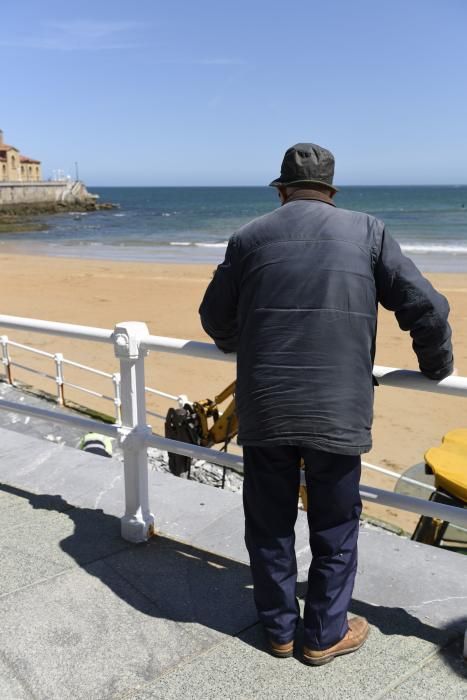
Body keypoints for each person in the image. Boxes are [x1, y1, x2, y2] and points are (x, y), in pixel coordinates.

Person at [199, 143, 453, 665]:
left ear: (282, 190)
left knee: (268, 522)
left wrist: (239, 339)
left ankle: (279, 632)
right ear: (331, 193)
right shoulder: (368, 232)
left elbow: (215, 318)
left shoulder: (248, 238)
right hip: (338, 411)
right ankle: (322, 635)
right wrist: (436, 368)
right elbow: (425, 306)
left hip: (266, 406)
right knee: (334, 526)